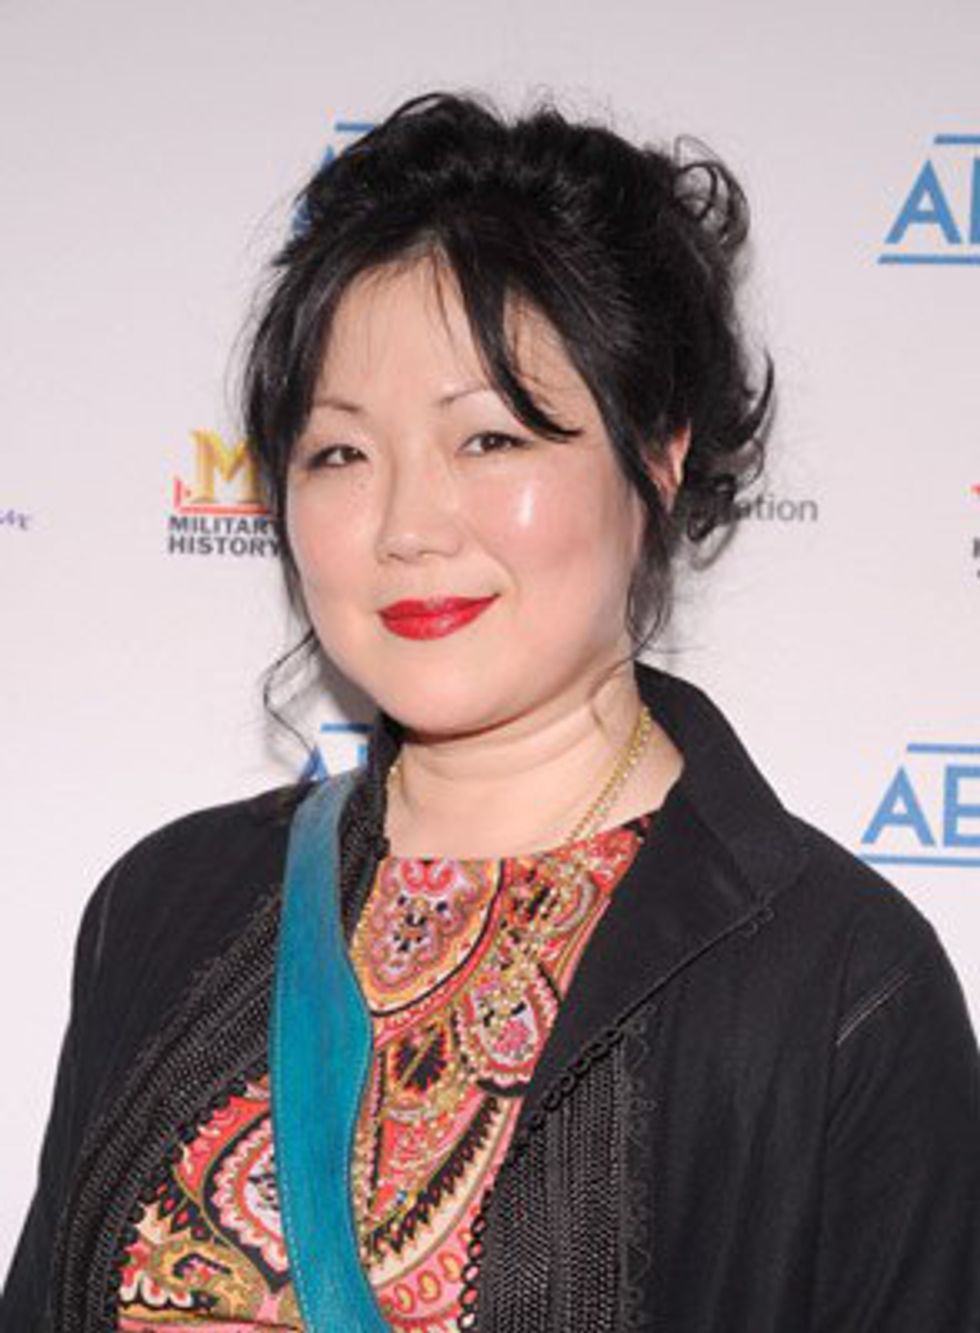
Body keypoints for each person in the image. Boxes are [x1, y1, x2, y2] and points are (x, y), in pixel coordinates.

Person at [2, 91, 978, 1333]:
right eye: (340, 453)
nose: (408, 526)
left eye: (490, 440)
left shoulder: (837, 983)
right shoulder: (163, 906)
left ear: (656, 451)